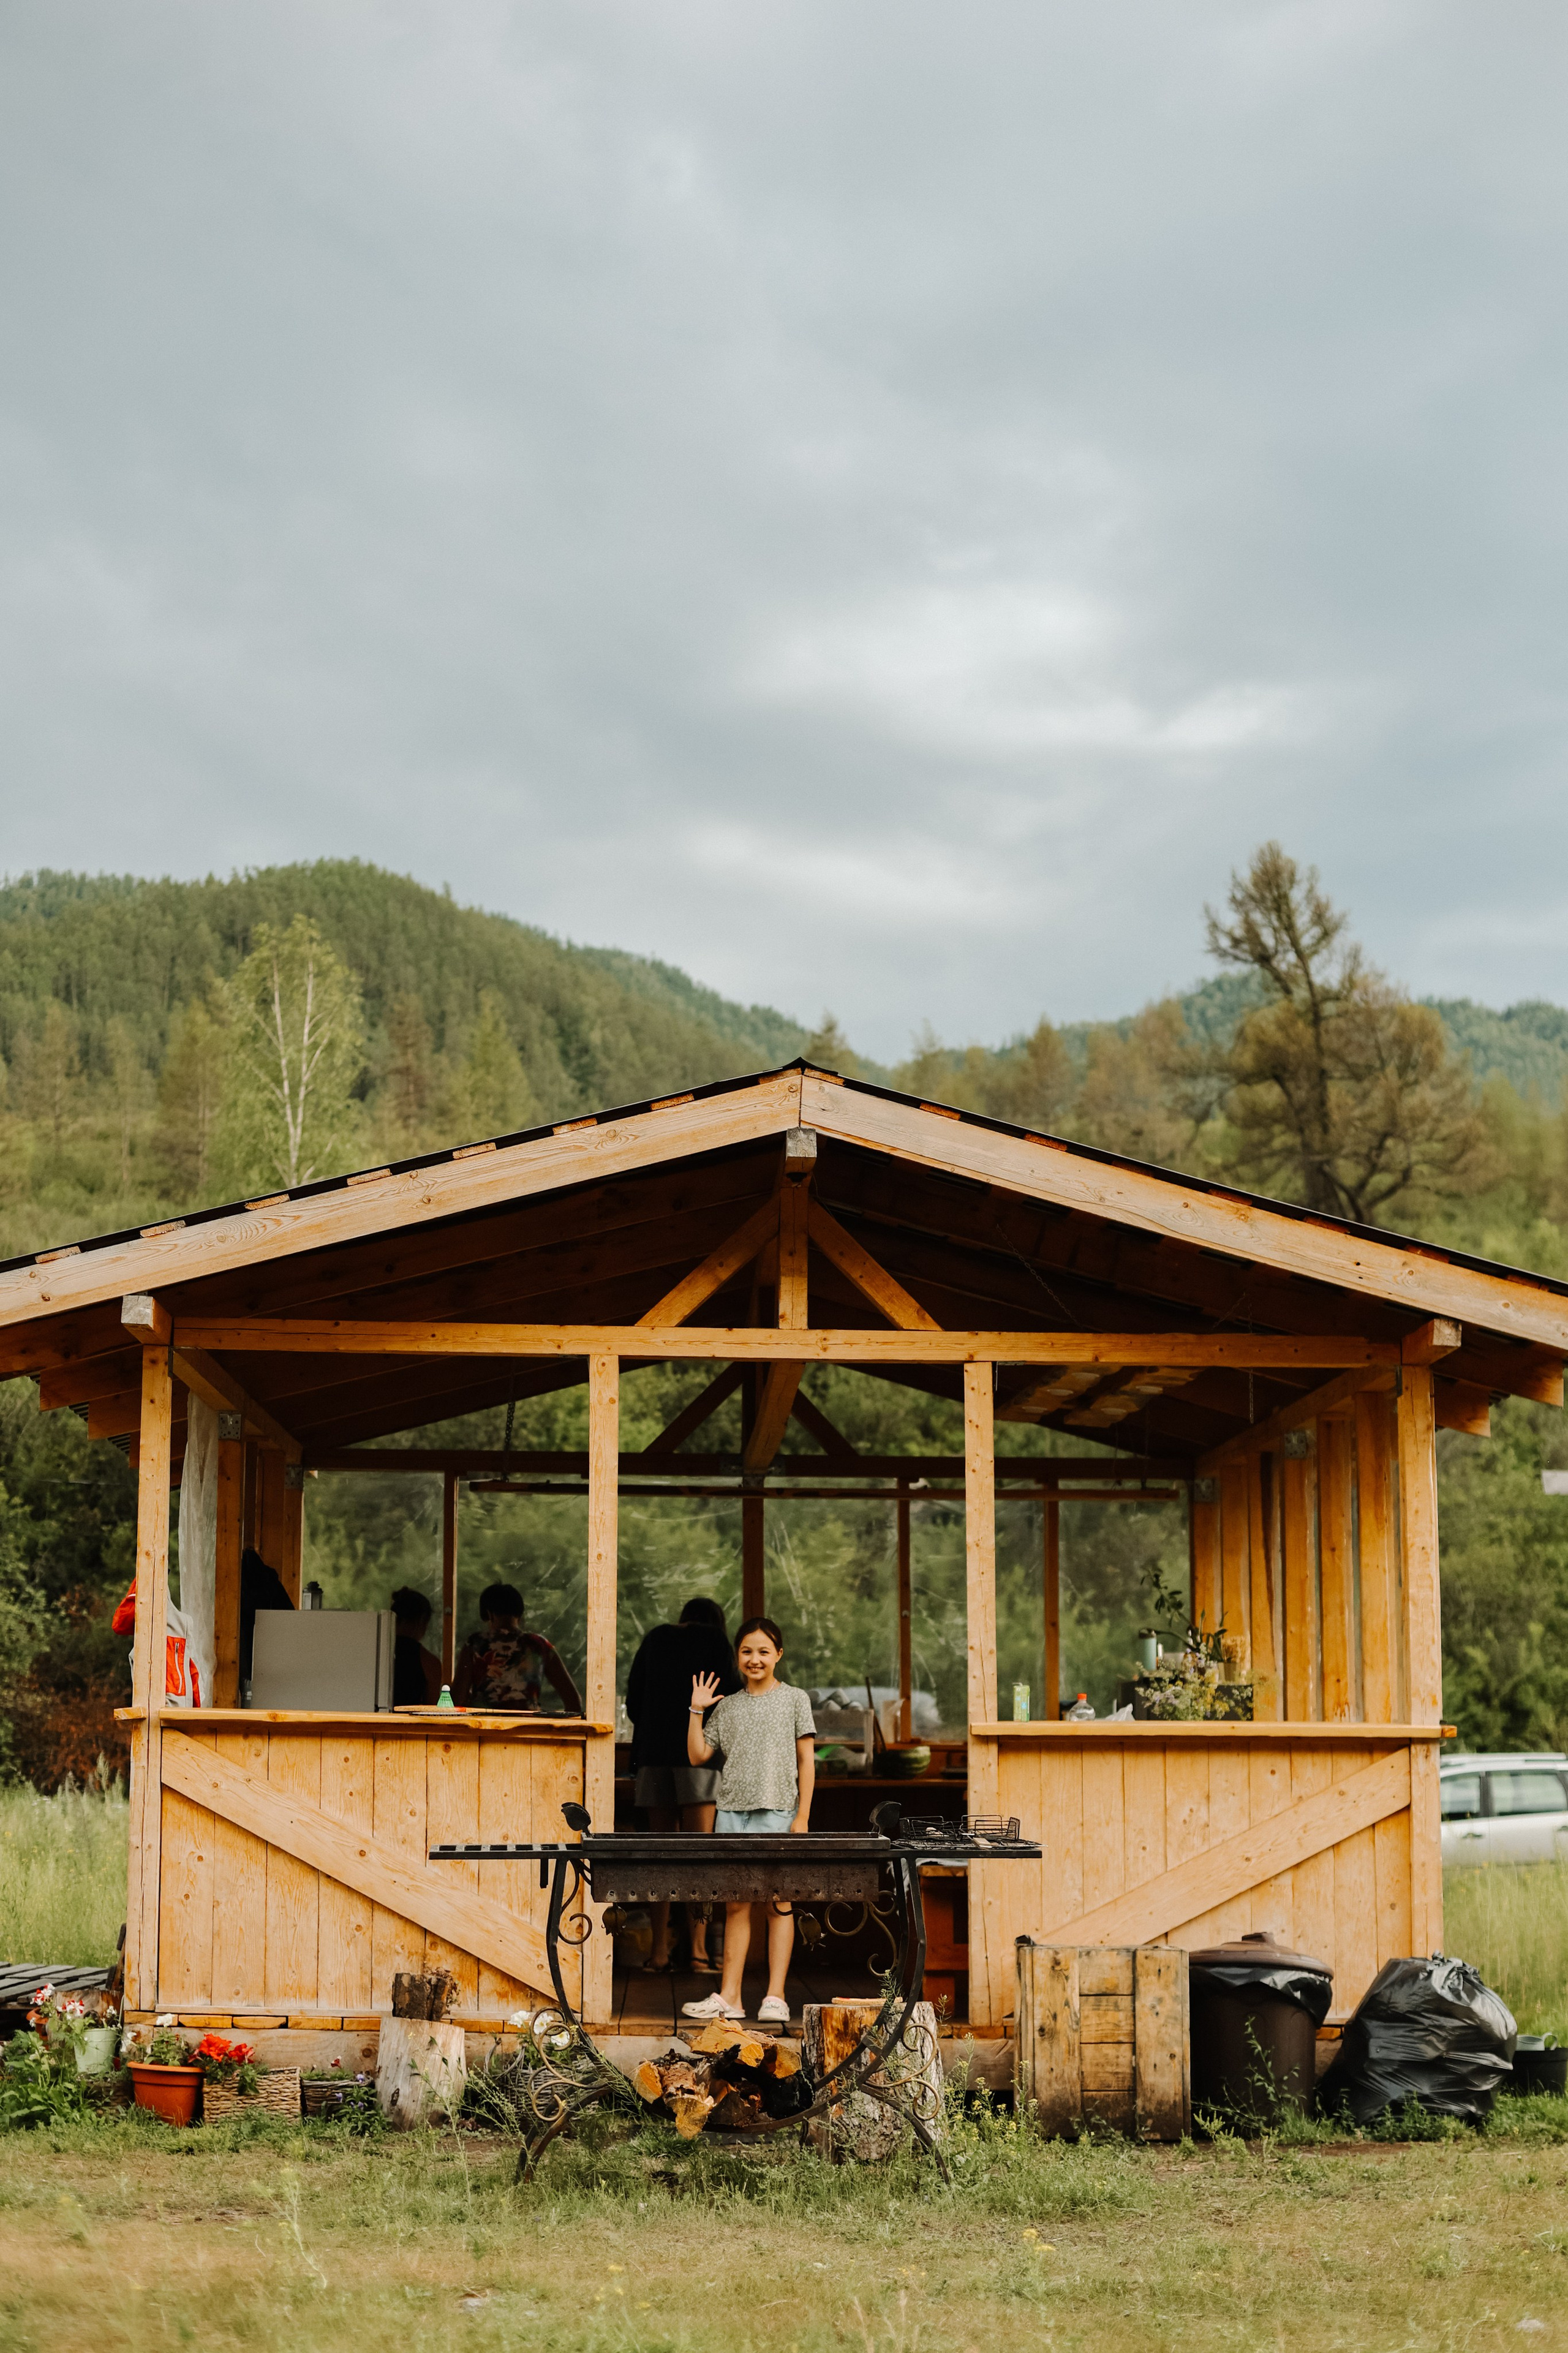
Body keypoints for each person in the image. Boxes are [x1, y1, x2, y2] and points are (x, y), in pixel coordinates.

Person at [679, 1616, 815, 2028]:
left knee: (779, 1904)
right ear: (738, 1656)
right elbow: (698, 1755)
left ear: (778, 1655)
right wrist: (695, 1709)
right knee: (736, 1905)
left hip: (778, 1811)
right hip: (732, 1813)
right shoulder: (728, 1705)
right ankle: (731, 1997)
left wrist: (803, 1816)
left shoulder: (795, 1699)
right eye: (747, 1651)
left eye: (763, 1651)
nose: (755, 1659)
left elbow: (808, 1761)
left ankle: (776, 1996)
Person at [625, 1596, 741, 1973]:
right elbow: (734, 1698)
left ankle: (659, 1953)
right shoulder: (717, 1643)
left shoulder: (656, 1638)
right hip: (701, 1759)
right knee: (698, 1854)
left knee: (660, 1854)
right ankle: (697, 1952)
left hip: (653, 1756)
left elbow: (632, 1702)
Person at [453, 1581, 583, 1713]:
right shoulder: (539, 1645)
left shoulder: (475, 1644)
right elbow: (573, 1701)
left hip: (485, 1727)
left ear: (489, 1614)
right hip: (529, 1729)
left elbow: (456, 1699)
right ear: (519, 1615)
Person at [390, 1586, 443, 1705]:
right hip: (410, 1723)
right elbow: (431, 1711)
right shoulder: (430, 1663)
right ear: (423, 1621)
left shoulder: (373, 1651)